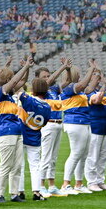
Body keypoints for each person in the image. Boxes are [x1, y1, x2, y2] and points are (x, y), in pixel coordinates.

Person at [0, 56, 32, 203]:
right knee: (6, 164)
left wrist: (27, 69)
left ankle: (14, 193)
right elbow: (16, 81)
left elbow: (21, 81)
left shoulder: (9, 95)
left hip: (16, 131)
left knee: (16, 165)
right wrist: (25, 66)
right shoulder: (0, 92)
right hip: (5, 131)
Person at [59, 60, 100, 195]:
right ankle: (66, 184)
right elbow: (83, 85)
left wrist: (96, 75)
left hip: (83, 122)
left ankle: (79, 183)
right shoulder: (68, 87)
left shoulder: (78, 91)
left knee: (83, 154)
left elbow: (88, 88)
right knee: (76, 153)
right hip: (75, 122)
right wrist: (90, 69)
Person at [39, 59, 70, 197]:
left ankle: (51, 185)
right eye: (43, 76)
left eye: (48, 75)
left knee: (53, 157)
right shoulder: (41, 89)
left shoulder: (54, 89)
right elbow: (47, 82)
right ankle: (40, 186)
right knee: (45, 156)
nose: (47, 78)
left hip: (58, 123)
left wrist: (68, 69)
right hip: (48, 124)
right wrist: (63, 67)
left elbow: (68, 81)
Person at [21, 75, 53, 201]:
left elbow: (19, 91)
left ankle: (20, 191)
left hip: (22, 134)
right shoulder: (47, 107)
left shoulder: (28, 100)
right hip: (35, 137)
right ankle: (36, 192)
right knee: (35, 166)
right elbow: (44, 123)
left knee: (20, 165)